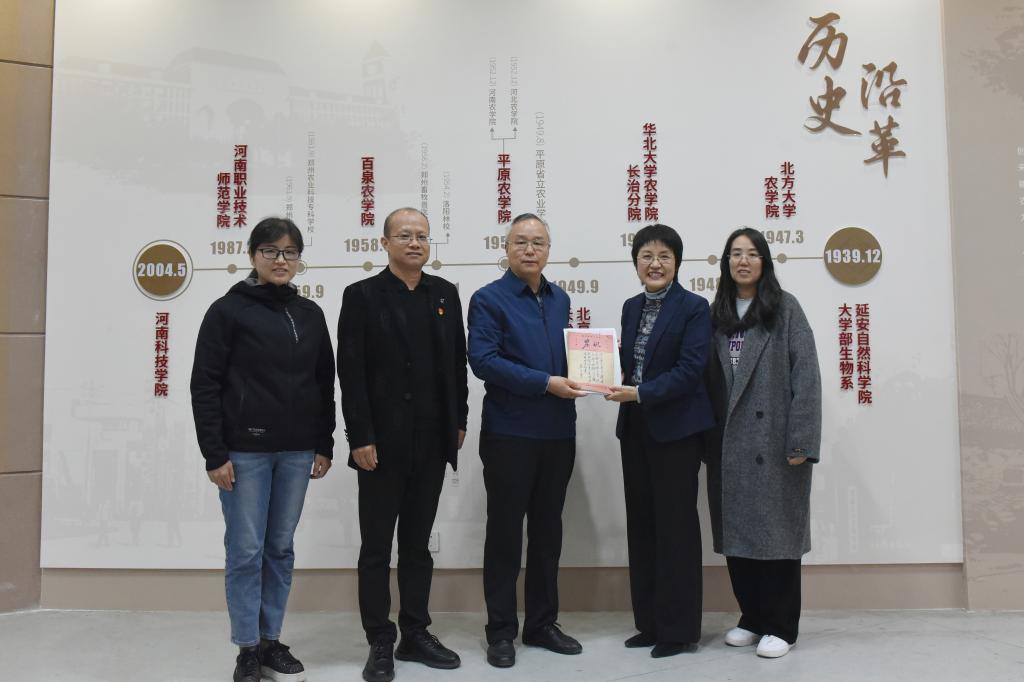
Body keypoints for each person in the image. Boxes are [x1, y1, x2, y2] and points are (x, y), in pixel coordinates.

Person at [191, 217, 336, 682]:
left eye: (290, 252)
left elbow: (324, 383)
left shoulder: (309, 314)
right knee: (246, 550)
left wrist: (324, 442)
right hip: (244, 453)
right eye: (271, 251)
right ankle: (247, 649)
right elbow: (205, 384)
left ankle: (271, 640)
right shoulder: (227, 311)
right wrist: (215, 453)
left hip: (297, 452)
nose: (281, 260)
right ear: (253, 255)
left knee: (279, 548)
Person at [337, 207, 468, 682]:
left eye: (423, 236)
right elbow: (350, 371)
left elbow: (457, 363)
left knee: (417, 545)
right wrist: (360, 436)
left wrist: (458, 421)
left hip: (431, 441)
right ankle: (379, 638)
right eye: (405, 235)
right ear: (385, 243)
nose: (415, 243)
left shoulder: (444, 293)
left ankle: (415, 631)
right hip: (381, 446)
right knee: (376, 547)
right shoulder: (362, 295)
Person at [468, 212, 587, 668]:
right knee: (504, 534)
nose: (530, 249)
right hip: (509, 433)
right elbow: (484, 360)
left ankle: (541, 623)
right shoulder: (488, 299)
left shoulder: (560, 298)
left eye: (538, 242)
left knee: (547, 532)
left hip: (558, 432)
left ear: (549, 250)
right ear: (506, 249)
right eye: (521, 241)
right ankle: (501, 631)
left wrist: (592, 374)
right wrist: (544, 383)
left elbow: (568, 359)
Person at [704, 226, 822, 659]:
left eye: (752, 253)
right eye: (735, 253)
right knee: (738, 539)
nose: (743, 261)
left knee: (777, 538)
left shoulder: (785, 309)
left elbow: (806, 379)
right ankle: (752, 618)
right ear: (726, 263)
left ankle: (782, 626)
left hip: (775, 444)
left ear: (765, 262)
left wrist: (802, 442)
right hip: (729, 445)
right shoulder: (717, 314)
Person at [605, 224, 715, 658]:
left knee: (676, 529)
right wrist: (598, 375)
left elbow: (690, 370)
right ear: (636, 263)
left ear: (677, 263)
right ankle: (649, 623)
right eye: (646, 256)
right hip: (634, 430)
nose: (655, 264)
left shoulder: (694, 308)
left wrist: (640, 393)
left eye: (664, 256)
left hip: (677, 433)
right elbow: (627, 365)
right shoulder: (631, 307)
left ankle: (678, 629)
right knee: (643, 526)